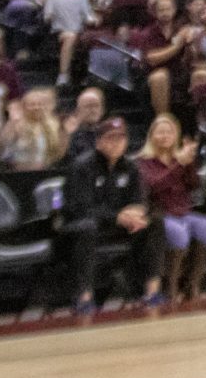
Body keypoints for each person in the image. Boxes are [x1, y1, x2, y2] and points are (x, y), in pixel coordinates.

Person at [62, 115, 164, 315]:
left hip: (119, 224)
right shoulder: (82, 166)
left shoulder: (131, 166)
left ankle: (152, 291)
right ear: (99, 141)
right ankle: (84, 297)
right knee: (87, 228)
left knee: (155, 223)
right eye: (110, 138)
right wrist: (116, 216)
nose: (116, 143)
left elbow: (140, 199)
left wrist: (137, 212)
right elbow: (80, 207)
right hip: (83, 223)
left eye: (120, 138)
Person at [134, 112, 206, 302]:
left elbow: (194, 185)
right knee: (179, 233)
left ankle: (192, 284)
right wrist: (179, 164)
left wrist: (190, 162)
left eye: (169, 132)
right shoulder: (143, 162)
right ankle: (170, 285)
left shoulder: (178, 159)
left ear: (176, 136)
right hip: (159, 214)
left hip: (183, 211)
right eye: (160, 132)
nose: (164, 136)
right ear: (151, 136)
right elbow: (154, 186)